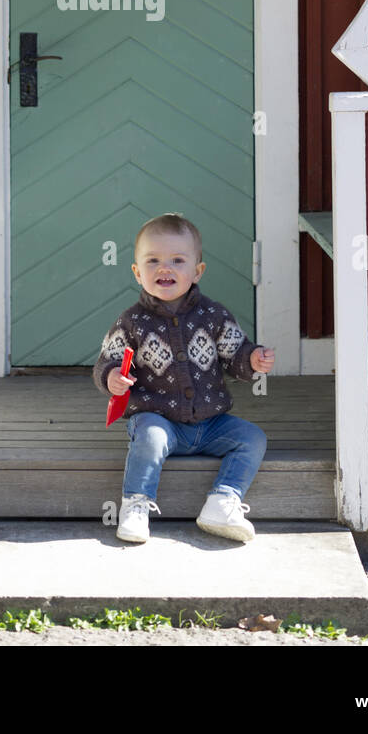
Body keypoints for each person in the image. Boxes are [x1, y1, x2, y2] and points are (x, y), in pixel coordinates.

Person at [93, 212, 275, 545]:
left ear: (197, 271)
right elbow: (108, 360)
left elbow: (235, 353)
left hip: (210, 423)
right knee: (148, 436)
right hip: (159, 420)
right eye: (153, 261)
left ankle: (223, 501)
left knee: (252, 438)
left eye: (178, 260)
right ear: (137, 272)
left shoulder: (213, 315)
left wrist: (251, 359)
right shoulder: (132, 322)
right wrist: (112, 378)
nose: (165, 268)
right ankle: (135, 504)